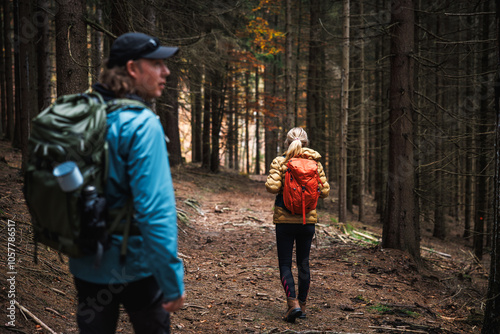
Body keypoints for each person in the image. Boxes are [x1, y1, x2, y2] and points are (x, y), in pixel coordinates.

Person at [68, 32, 185, 333]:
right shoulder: (142, 124)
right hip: (136, 268)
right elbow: (155, 214)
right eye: (157, 64)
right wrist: (172, 281)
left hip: (86, 264)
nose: (166, 72)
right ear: (133, 69)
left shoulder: (81, 114)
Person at [265, 127, 330, 323]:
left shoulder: (280, 161)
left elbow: (272, 187)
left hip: (284, 220)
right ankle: (302, 306)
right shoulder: (315, 163)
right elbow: (325, 191)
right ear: (306, 143)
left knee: (285, 263)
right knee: (304, 262)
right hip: (306, 221)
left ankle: (291, 304)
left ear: (287, 143)